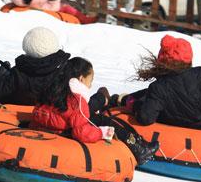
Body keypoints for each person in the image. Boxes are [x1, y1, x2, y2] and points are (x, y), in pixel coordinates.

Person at [30, 57, 159, 165]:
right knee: (105, 122)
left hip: (47, 128)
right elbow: (81, 133)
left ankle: (139, 144)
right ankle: (139, 149)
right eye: (90, 81)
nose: (90, 86)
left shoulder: (53, 89)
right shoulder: (77, 100)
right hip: (64, 132)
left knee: (96, 118)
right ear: (81, 79)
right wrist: (102, 133)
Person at [113, 34, 201, 130]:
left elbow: (146, 118)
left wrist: (134, 105)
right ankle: (123, 99)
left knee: (143, 97)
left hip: (172, 135)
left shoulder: (159, 87)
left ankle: (121, 99)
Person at [0, 27, 70, 105]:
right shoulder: (64, 71)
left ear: (27, 46)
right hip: (44, 113)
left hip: (13, 109)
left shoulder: (19, 73)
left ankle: (2, 76)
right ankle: (3, 75)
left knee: (6, 79)